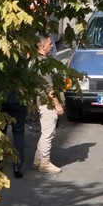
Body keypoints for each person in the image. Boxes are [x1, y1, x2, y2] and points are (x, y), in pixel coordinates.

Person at [33, 34, 64, 173]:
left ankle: (38, 160)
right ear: (42, 46)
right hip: (47, 103)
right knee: (48, 133)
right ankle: (45, 163)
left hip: (42, 101)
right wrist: (57, 104)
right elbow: (49, 89)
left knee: (45, 132)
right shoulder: (43, 64)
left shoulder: (40, 60)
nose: (52, 46)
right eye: (50, 44)